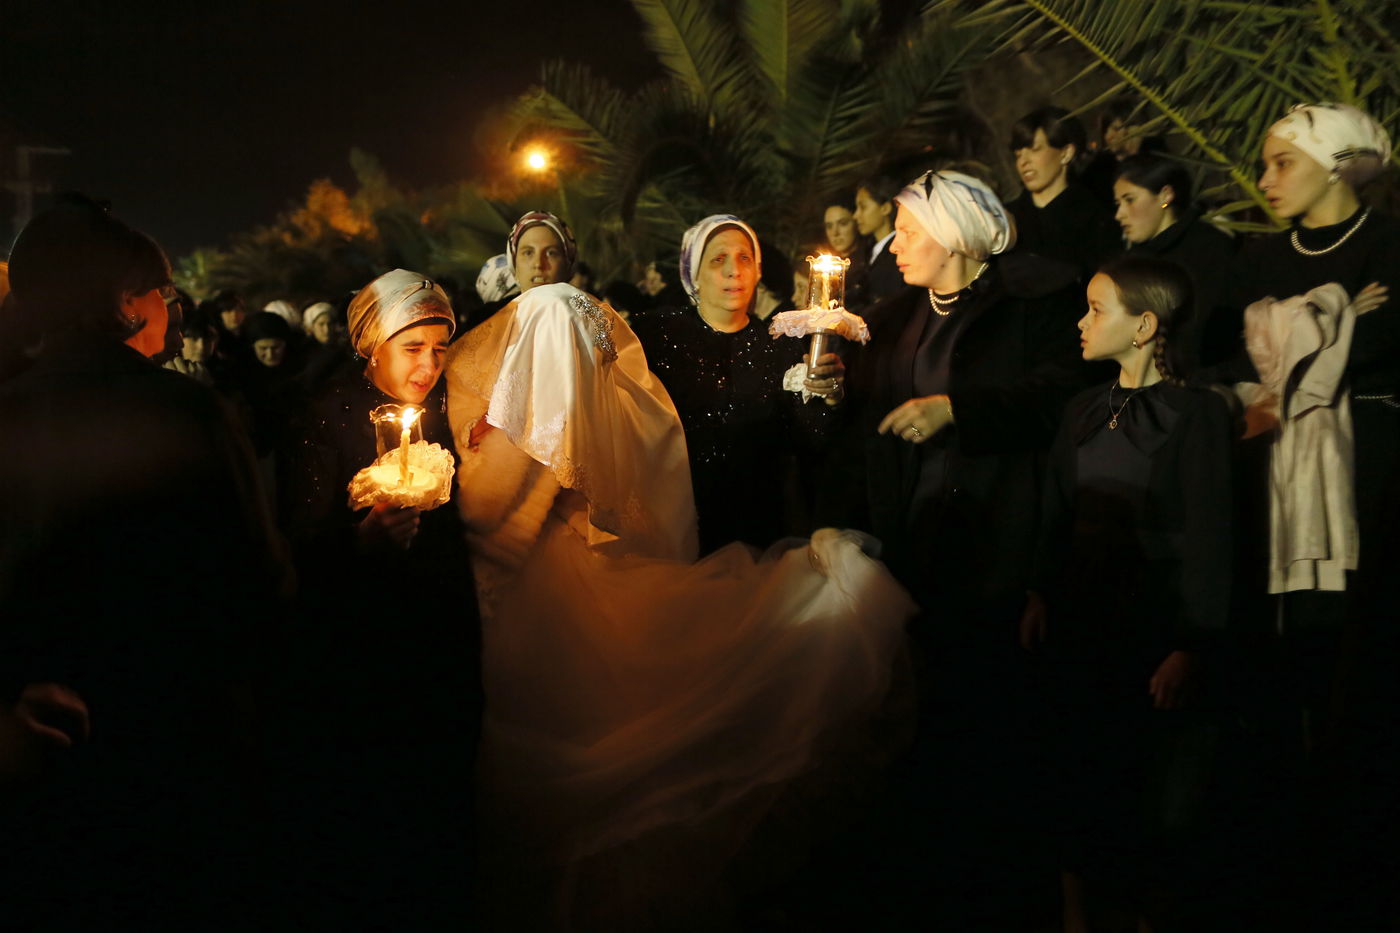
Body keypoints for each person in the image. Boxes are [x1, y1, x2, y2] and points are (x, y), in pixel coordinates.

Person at [444, 281, 913, 929]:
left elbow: (491, 515)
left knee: (562, 742)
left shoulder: (532, 419)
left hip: (544, 587)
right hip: (602, 567)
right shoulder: (599, 397)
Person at [0, 195, 284, 930]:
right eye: (164, 291)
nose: (171, 307)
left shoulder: (10, 411)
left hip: (40, 736)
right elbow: (256, 579)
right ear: (126, 299)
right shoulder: (187, 412)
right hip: (176, 737)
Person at [832, 168, 1090, 927]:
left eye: (908, 232)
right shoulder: (889, 317)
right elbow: (857, 430)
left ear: (954, 239)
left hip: (995, 534)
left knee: (989, 719)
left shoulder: (1030, 308)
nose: (895, 243)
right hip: (911, 534)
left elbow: (1056, 394)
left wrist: (959, 410)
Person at [1212, 102, 1398, 928]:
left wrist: (1296, 338)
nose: (1266, 180)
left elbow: (1383, 351)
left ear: (1333, 163)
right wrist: (1340, 315)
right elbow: (1225, 351)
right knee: (1277, 650)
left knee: (1354, 649)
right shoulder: (1256, 256)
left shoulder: (1389, 243)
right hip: (1269, 473)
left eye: (1283, 162)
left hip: (1363, 471)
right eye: (1264, 164)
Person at [1023, 256, 1234, 931]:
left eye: (1096, 308)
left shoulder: (1192, 414)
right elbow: (1055, 511)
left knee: (1141, 786)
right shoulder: (1083, 409)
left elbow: (1209, 533)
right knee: (1069, 774)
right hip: (1078, 622)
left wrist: (1188, 642)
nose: (1081, 322)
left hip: (1145, 627)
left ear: (1144, 326)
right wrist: (1038, 591)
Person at [279, 268, 479, 928]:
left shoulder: (455, 408)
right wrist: (362, 539)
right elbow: (295, 541)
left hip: (443, 627)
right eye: (412, 347)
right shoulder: (325, 415)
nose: (429, 364)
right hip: (361, 647)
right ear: (371, 344)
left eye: (439, 347)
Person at [629, 214, 843, 553]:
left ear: (758, 271)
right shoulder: (655, 335)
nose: (734, 270)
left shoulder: (780, 345)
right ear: (692, 274)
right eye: (718, 260)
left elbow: (810, 442)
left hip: (756, 534)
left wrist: (826, 400)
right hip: (670, 531)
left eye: (745, 258)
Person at [1113, 154, 1237, 367]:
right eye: (1118, 203)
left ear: (1165, 196)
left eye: (1130, 200)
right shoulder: (1131, 259)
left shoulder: (1210, 248)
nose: (1119, 214)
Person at [1006, 106, 1121, 283]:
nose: (1023, 162)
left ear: (1066, 153)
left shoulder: (1094, 218)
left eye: (1035, 149)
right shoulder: (1007, 219)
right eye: (1018, 154)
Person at [854, 175, 907, 305]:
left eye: (863, 207)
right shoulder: (866, 251)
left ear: (885, 208)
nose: (855, 215)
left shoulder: (899, 254)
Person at [824, 202, 870, 309]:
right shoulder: (824, 265)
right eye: (829, 226)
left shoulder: (868, 261)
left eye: (843, 223)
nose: (835, 233)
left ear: (856, 222)